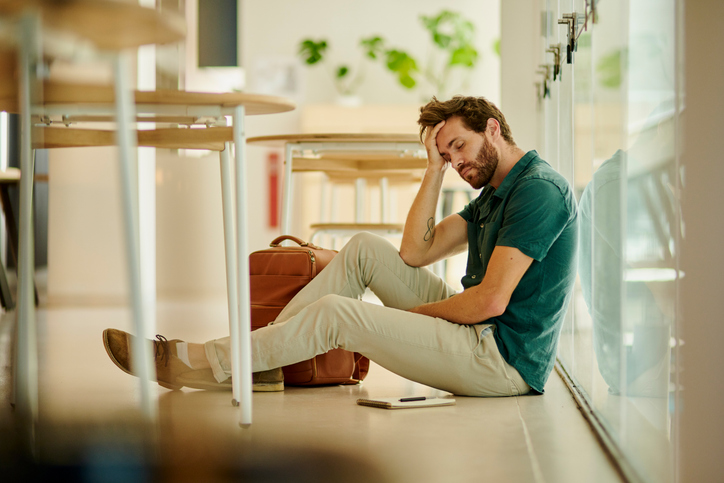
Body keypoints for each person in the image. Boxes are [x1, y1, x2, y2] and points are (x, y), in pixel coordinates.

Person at [104, 96, 578, 397]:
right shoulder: (494, 191)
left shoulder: (537, 190)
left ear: (493, 127)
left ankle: (205, 360)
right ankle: (262, 364)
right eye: (446, 155)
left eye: (458, 146)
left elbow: (490, 301)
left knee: (337, 314)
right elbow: (416, 251)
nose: (456, 162)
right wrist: (431, 170)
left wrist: (406, 321)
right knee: (366, 248)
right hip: (478, 332)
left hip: (500, 358)